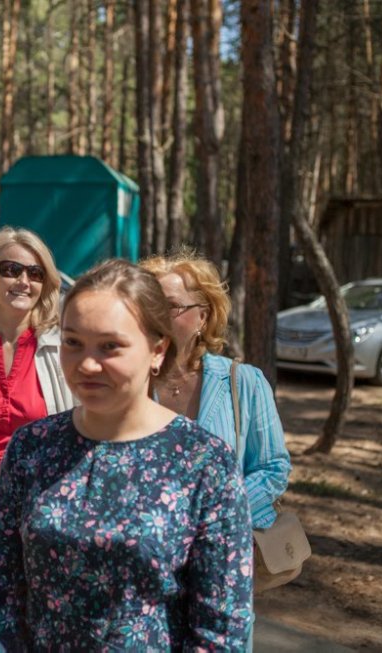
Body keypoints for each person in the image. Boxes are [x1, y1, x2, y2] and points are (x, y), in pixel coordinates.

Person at [0, 259, 253, 650]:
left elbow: (221, 630)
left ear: (157, 349)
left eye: (110, 347)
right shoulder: (32, 447)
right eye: (73, 342)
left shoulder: (203, 462)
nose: (87, 364)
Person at [141, 250, 292, 645]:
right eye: (150, 304)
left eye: (171, 306)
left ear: (203, 317)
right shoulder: (128, 381)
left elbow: (273, 468)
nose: (157, 314)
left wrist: (216, 516)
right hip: (141, 566)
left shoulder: (244, 382)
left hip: (221, 564)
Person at [0, 227, 74, 649]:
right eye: (11, 270)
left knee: (44, 628)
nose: (24, 281)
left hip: (41, 514)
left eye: (35, 273)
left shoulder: (61, 348)